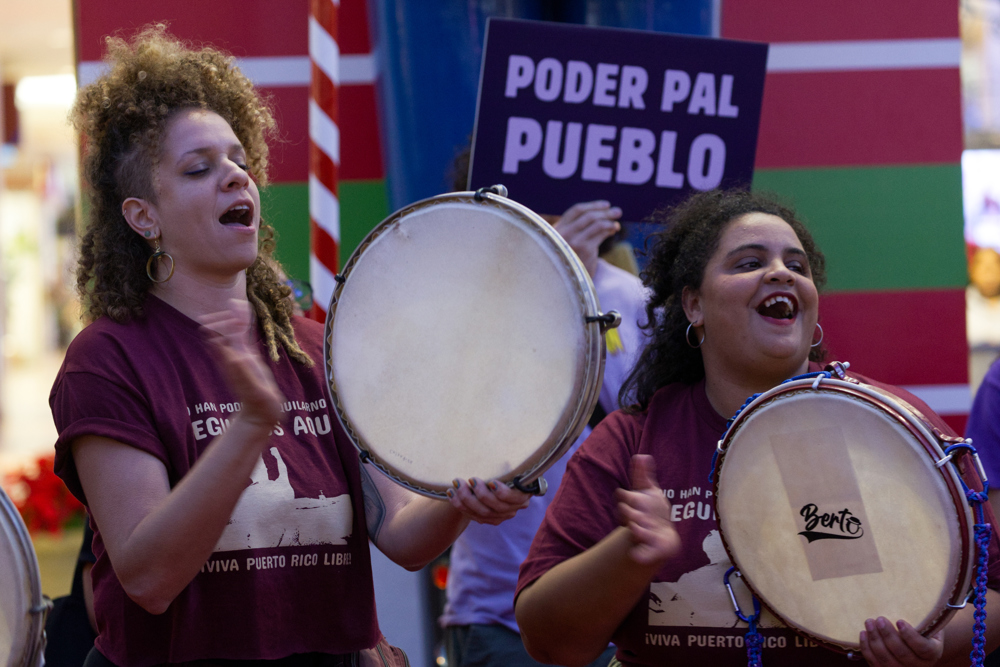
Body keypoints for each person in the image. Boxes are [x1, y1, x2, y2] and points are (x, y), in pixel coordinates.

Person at [51, 27, 530, 667]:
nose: (234, 178)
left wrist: (462, 497)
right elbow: (148, 578)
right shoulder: (107, 359)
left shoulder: (314, 348)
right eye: (199, 168)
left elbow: (402, 535)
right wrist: (250, 425)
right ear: (144, 218)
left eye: (240, 161)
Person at [514, 189, 1000, 667]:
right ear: (693, 306)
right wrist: (627, 553)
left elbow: (991, 594)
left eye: (797, 266)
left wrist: (935, 646)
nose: (780, 273)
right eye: (748, 263)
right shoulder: (633, 441)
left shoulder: (897, 429)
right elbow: (550, 643)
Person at [440, 199, 648, 667]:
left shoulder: (636, 300)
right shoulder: (462, 297)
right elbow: (453, 419)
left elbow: (641, 430)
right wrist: (546, 289)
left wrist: (576, 288)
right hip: (496, 616)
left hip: (611, 610)